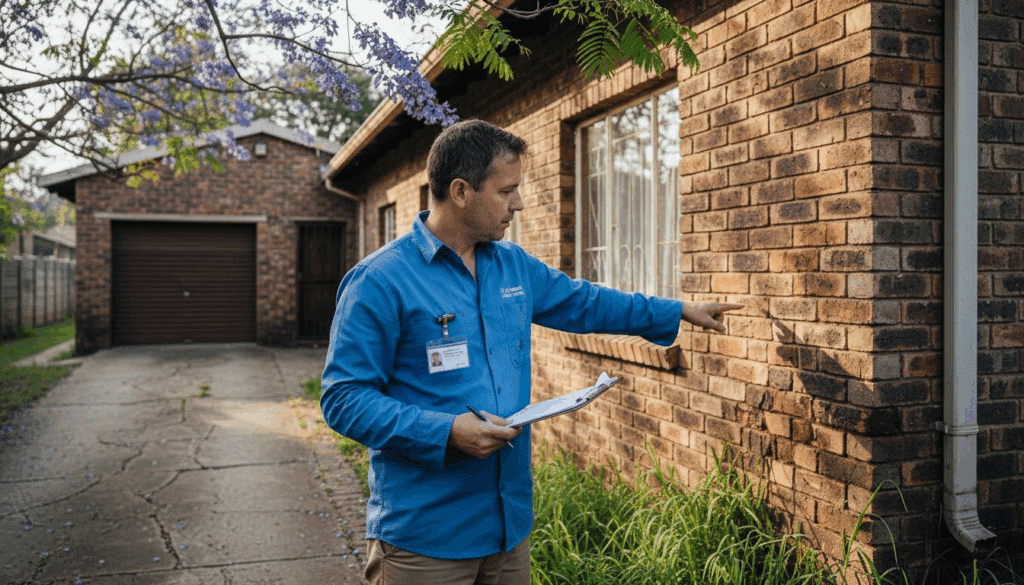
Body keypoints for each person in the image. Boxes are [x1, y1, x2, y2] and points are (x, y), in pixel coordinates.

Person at [321, 119, 743, 585]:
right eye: (506, 191)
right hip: (426, 538)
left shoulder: (512, 265)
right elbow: (344, 399)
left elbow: (584, 302)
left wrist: (675, 310)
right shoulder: (380, 281)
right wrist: (446, 432)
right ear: (460, 192)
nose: (518, 203)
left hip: (508, 528)